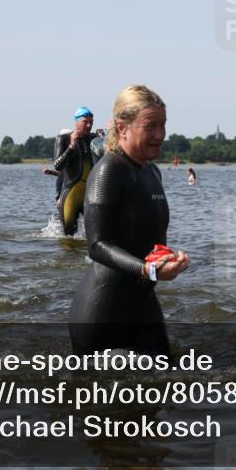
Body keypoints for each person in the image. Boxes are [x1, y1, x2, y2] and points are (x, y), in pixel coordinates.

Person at [68, 86, 189, 356]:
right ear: (122, 127)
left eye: (163, 125)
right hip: (102, 311)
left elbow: (143, 238)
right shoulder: (109, 171)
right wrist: (150, 271)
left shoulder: (152, 172)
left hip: (143, 302)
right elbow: (97, 245)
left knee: (167, 387)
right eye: (150, 126)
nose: (160, 135)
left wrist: (165, 259)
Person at [53, 107, 101, 236]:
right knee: (68, 237)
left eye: (91, 122)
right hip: (71, 194)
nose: (89, 125)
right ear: (76, 122)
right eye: (85, 122)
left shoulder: (94, 138)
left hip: (90, 194)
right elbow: (57, 166)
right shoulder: (64, 139)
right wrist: (71, 147)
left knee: (97, 234)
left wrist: (106, 137)